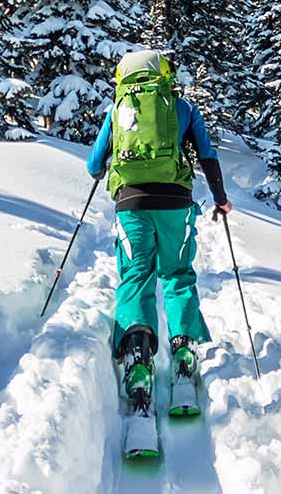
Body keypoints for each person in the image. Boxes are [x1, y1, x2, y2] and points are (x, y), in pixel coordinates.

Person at [87, 50, 231, 414]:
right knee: (177, 274)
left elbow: (93, 165)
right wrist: (220, 199)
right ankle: (182, 351)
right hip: (175, 204)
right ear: (165, 74)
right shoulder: (182, 107)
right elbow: (206, 154)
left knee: (136, 276)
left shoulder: (117, 110)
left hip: (130, 204)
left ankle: (138, 358)